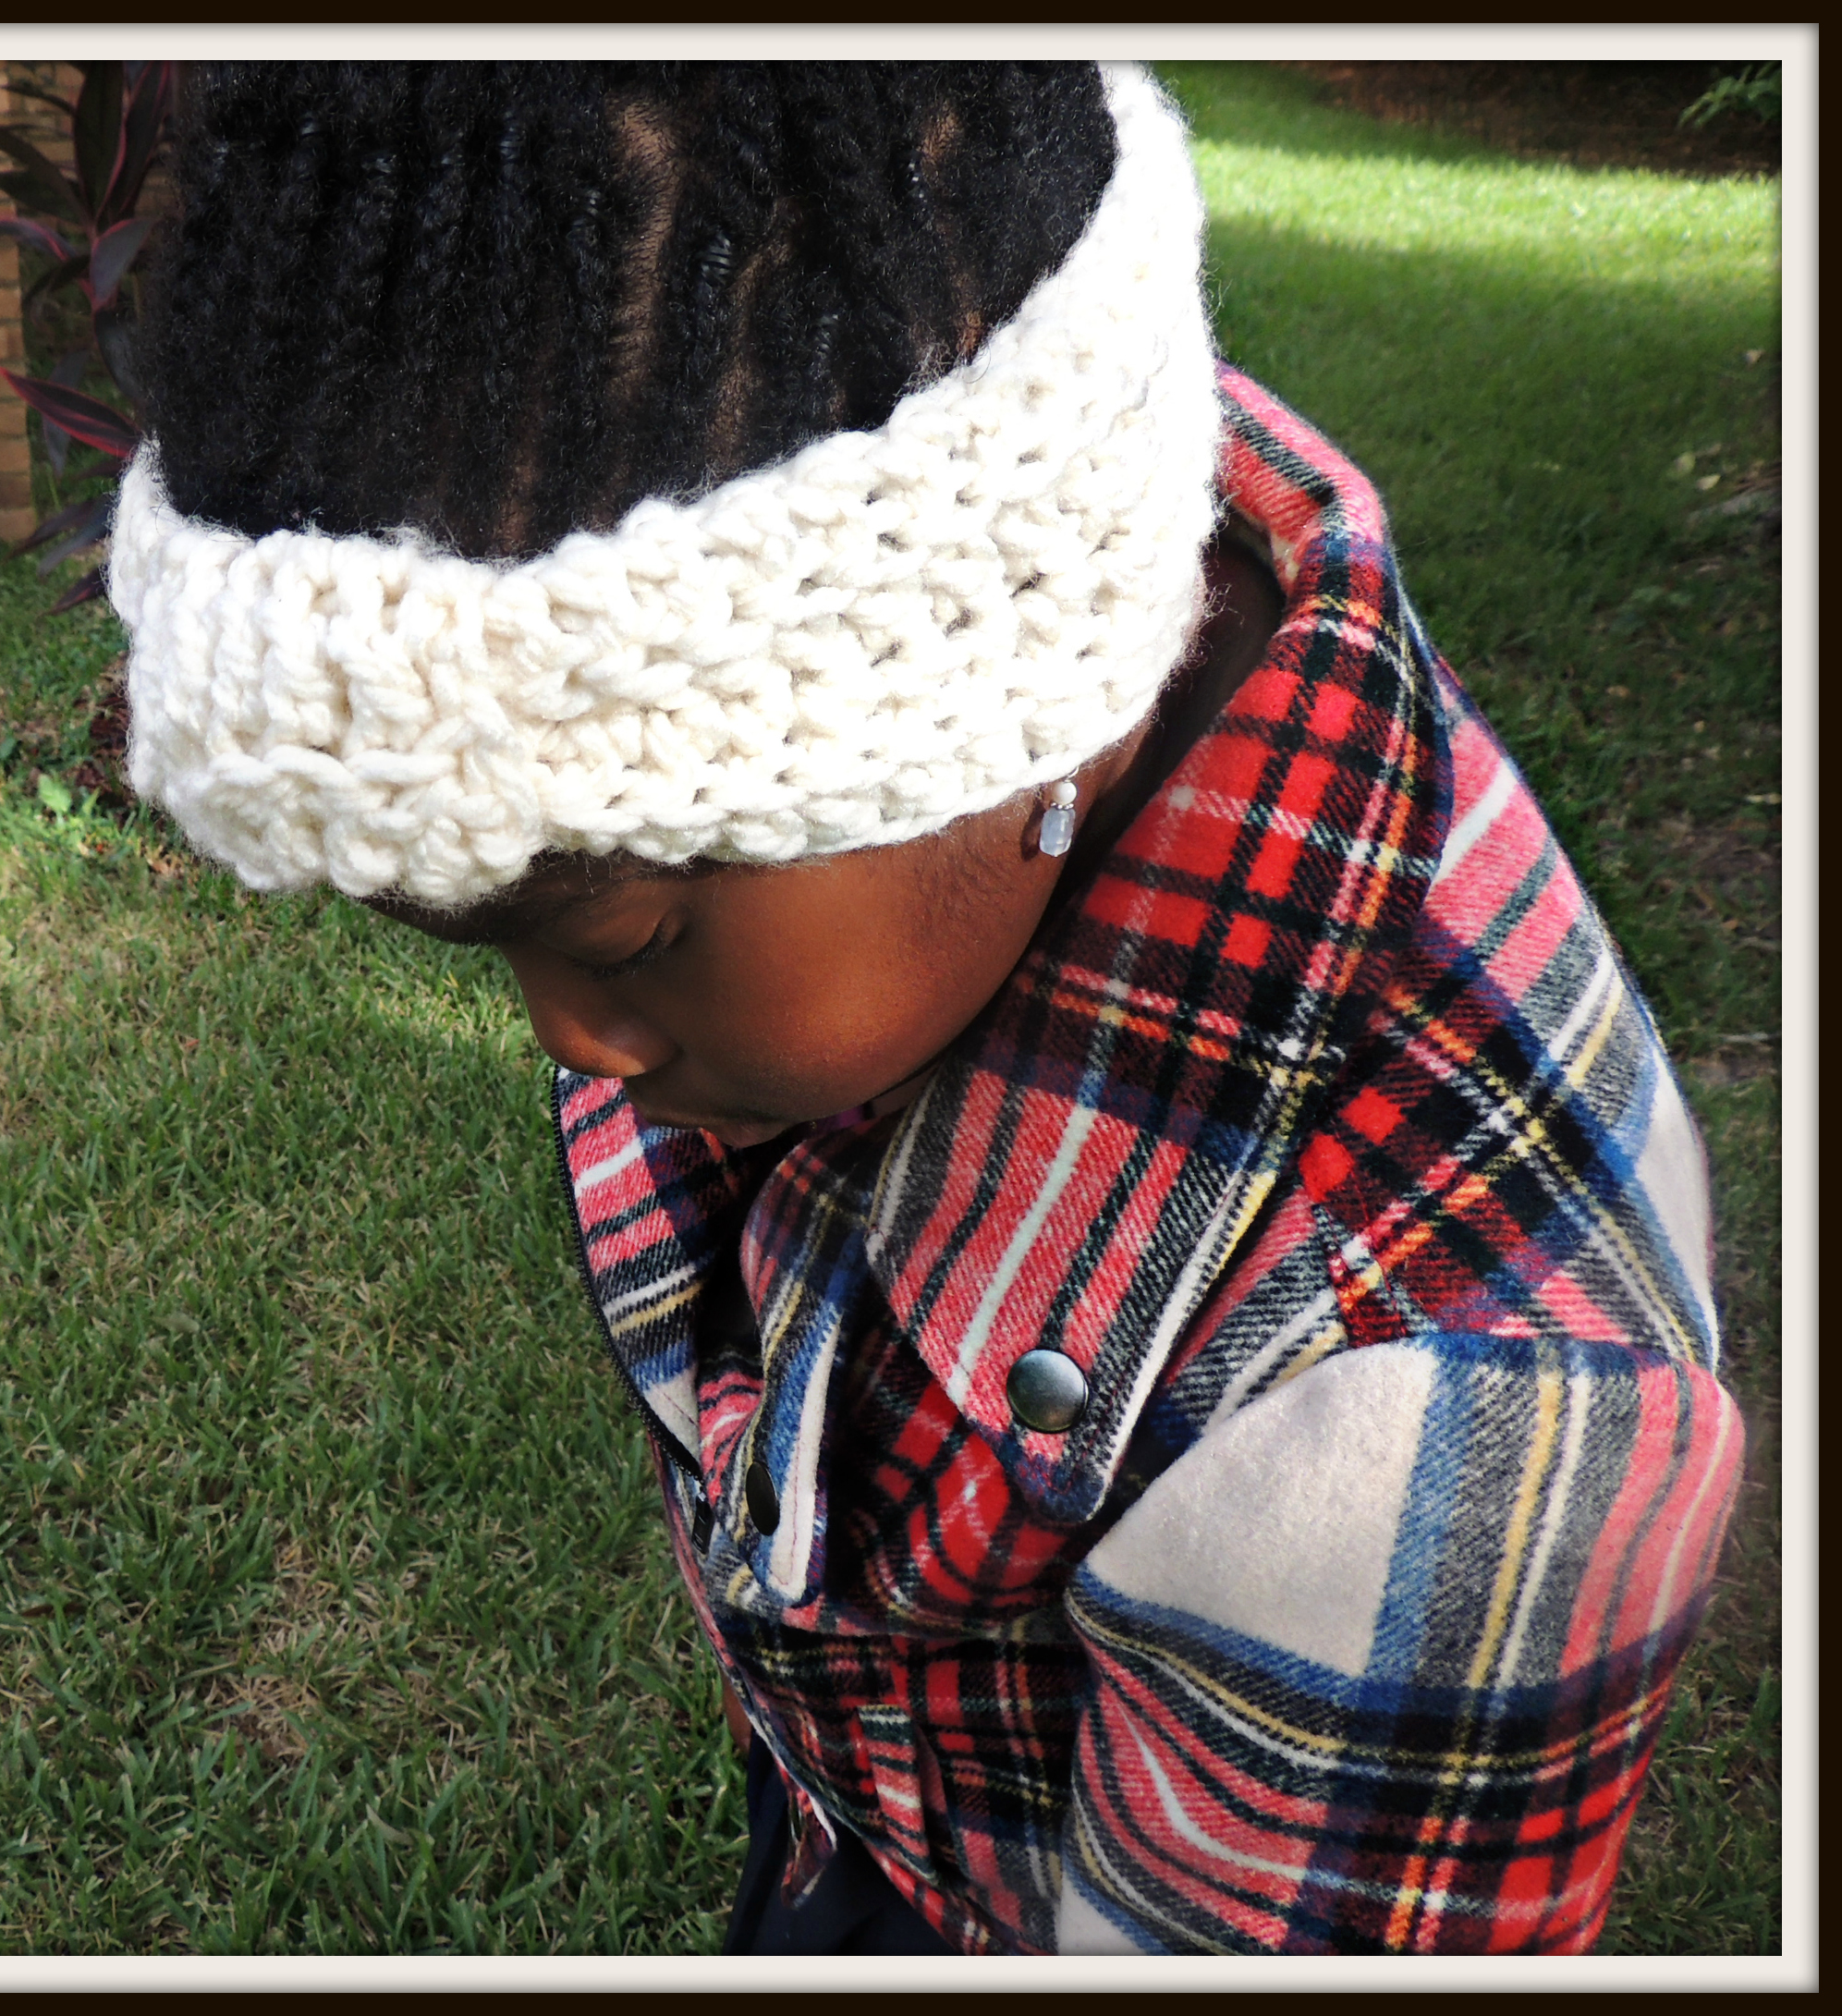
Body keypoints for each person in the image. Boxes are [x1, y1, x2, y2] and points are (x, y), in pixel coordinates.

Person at [109, 59, 1742, 1956]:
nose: (567, 1043)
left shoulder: (1440, 1416)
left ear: (1012, 679)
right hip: (872, 1798)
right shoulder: (941, 756)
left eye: (624, 937)